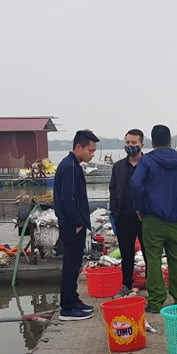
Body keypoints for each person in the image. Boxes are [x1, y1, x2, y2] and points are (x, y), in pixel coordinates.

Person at [131, 125, 177, 313]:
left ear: (152, 142)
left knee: (153, 260)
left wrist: (140, 207)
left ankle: (156, 301)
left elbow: (136, 185)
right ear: (170, 141)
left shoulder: (147, 161)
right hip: (176, 221)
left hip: (152, 219)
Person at [53, 129, 100, 320]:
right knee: (71, 266)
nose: (92, 154)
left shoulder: (73, 165)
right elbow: (67, 199)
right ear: (79, 147)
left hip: (74, 224)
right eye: (90, 150)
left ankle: (73, 299)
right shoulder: (69, 167)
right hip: (72, 226)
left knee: (74, 265)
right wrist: (77, 222)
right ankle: (67, 307)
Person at [109, 129, 147, 298]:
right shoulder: (118, 167)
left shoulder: (148, 164)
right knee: (126, 254)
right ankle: (126, 284)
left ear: (141, 144)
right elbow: (112, 189)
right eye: (127, 143)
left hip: (144, 218)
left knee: (149, 253)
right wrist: (114, 213)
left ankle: (152, 285)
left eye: (134, 143)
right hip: (123, 217)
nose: (130, 146)